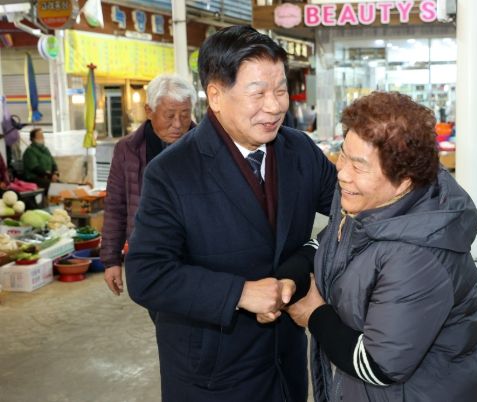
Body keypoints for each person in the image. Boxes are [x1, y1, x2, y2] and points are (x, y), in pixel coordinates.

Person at [124, 25, 336, 402]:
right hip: (211, 373)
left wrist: (305, 259)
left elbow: (352, 209)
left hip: (285, 363)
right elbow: (146, 274)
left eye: (280, 90)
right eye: (258, 93)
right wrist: (239, 293)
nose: (275, 106)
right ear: (216, 96)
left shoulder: (300, 151)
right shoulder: (173, 171)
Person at [277, 91, 477, 402]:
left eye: (359, 166)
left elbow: (379, 365)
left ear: (405, 179)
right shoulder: (366, 199)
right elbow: (333, 242)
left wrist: (314, 314)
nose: (342, 173)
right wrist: (295, 270)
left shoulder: (418, 257)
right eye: (343, 155)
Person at [101, 74, 197, 297]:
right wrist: (111, 260)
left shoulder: (205, 146)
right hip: (149, 253)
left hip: (196, 256)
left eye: (185, 115)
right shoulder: (127, 149)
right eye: (169, 115)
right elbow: (116, 206)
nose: (178, 124)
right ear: (149, 110)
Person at [22, 128, 59, 194]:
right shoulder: (30, 151)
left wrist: (55, 173)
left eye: (43, 135)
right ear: (33, 138)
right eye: (40, 136)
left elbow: (53, 163)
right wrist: (49, 175)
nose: (43, 137)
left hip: (47, 176)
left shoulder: (45, 149)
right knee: (53, 187)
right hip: (34, 178)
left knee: (62, 185)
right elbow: (35, 168)